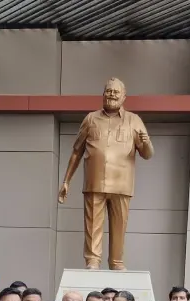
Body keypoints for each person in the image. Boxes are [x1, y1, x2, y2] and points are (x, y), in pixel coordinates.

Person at [58, 77, 153, 270]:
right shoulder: (91, 118)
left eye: (116, 92)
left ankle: (116, 261)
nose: (111, 95)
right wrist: (67, 180)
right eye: (108, 91)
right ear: (102, 95)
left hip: (122, 184)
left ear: (124, 97)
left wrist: (146, 143)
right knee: (93, 225)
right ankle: (92, 260)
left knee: (119, 227)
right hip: (95, 182)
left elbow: (147, 154)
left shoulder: (134, 120)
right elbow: (77, 151)